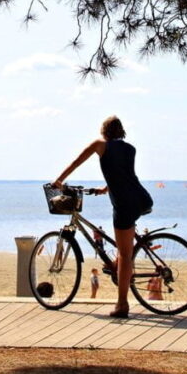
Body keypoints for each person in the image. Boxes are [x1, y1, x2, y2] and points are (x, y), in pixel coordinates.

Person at [53, 115, 153, 319]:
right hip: (141, 198)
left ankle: (122, 305)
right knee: (123, 250)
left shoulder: (100, 144)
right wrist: (105, 188)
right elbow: (125, 174)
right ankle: (120, 270)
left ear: (104, 131)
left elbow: (76, 161)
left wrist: (59, 180)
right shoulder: (130, 148)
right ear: (121, 131)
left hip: (124, 203)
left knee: (125, 255)